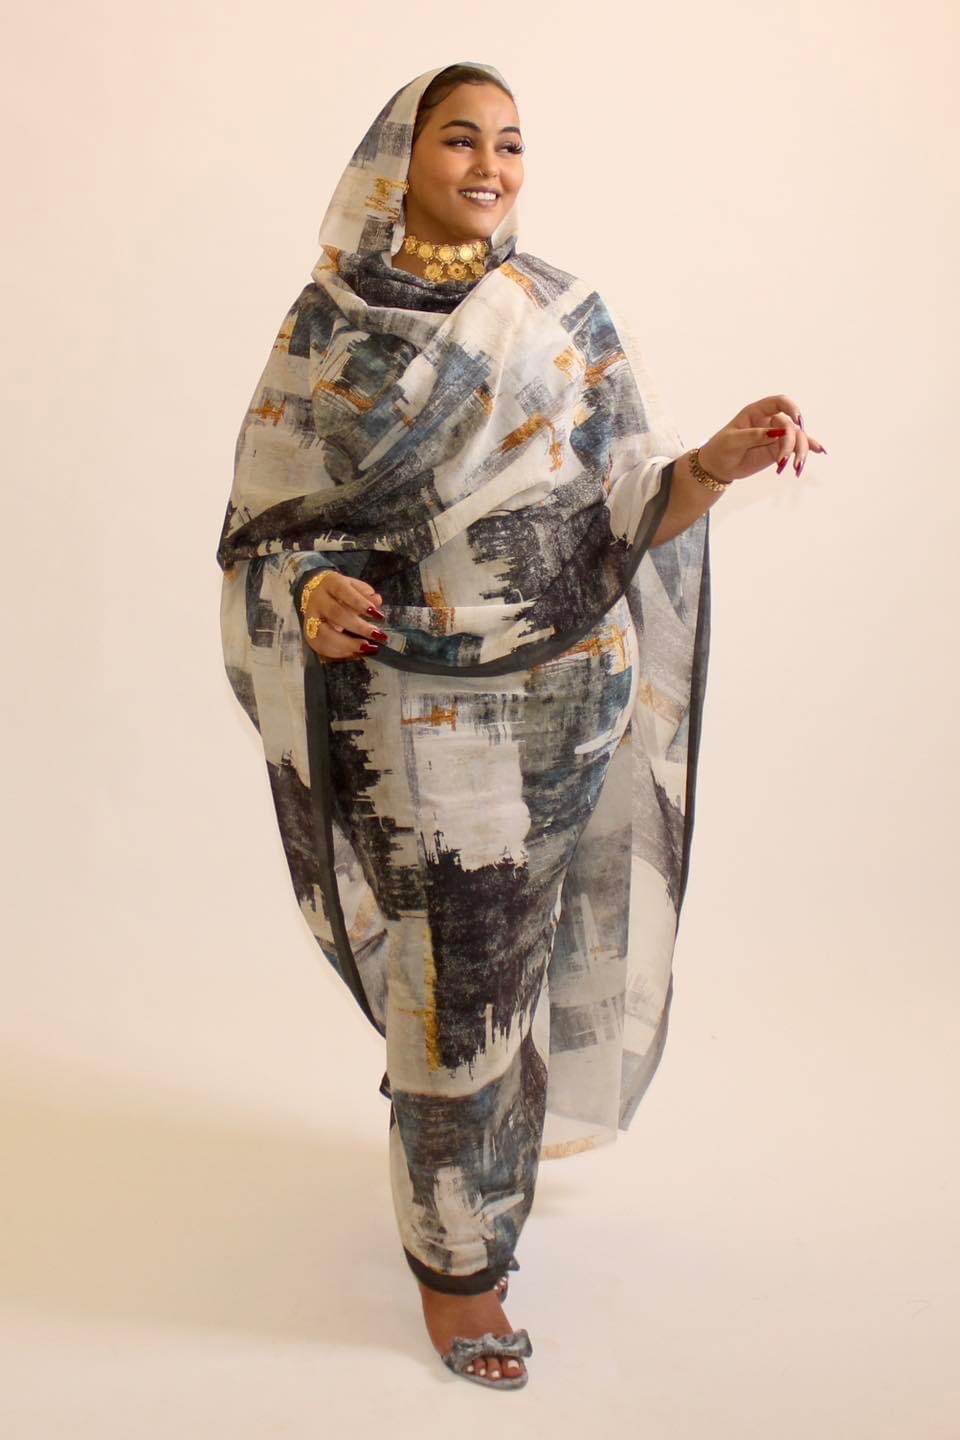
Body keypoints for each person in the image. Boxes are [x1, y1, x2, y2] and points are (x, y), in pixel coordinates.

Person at [215, 60, 826, 1390]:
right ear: (399, 159)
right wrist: (310, 593)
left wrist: (712, 463)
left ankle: (464, 1163)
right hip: (417, 710)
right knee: (459, 990)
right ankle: (460, 1268)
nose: (489, 166)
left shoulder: (560, 311)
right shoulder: (329, 327)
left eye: (509, 143)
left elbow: (630, 506)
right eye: (459, 140)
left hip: (572, 696)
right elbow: (266, 535)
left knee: (508, 971)